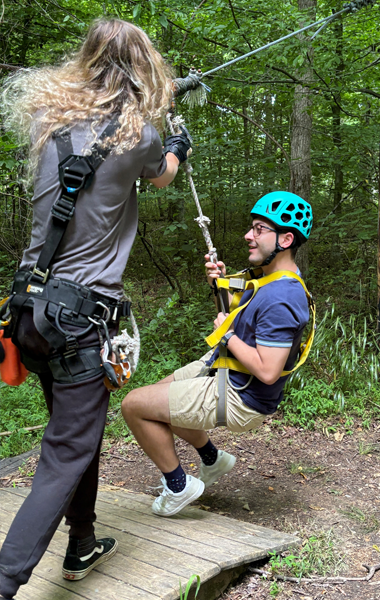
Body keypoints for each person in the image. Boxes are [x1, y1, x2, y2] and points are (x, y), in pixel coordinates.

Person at [0, 18, 192, 600]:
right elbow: (164, 177)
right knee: (66, 451)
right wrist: (178, 138)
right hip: (79, 320)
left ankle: (81, 540)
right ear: (143, 70)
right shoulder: (142, 136)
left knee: (76, 433)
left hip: (31, 310)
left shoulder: (46, 120)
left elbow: (94, 137)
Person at [121, 191, 313, 517]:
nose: (248, 236)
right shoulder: (266, 279)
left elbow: (267, 370)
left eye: (259, 229)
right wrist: (219, 287)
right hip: (223, 369)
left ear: (286, 238)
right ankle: (213, 460)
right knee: (157, 397)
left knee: (134, 407)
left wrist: (227, 333)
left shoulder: (283, 296)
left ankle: (179, 485)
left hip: (241, 397)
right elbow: (235, 317)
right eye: (251, 228)